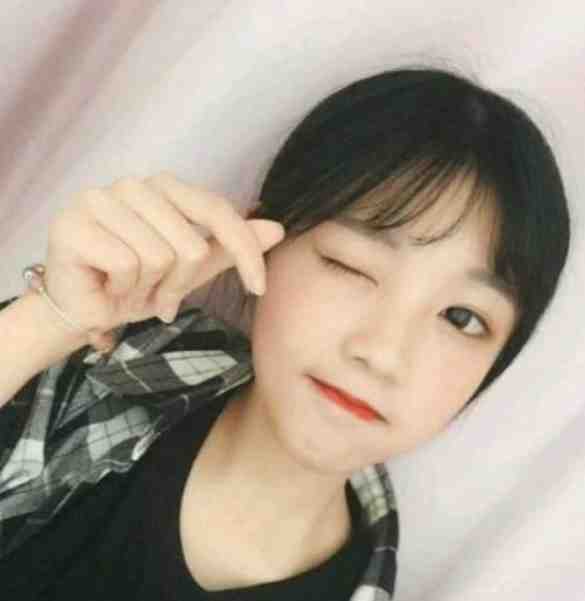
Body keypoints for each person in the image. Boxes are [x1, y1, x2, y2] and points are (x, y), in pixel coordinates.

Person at [0, 66, 571, 600]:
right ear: (259, 244)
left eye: (462, 318)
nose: (382, 352)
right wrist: (45, 323)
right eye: (352, 266)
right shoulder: (79, 367)